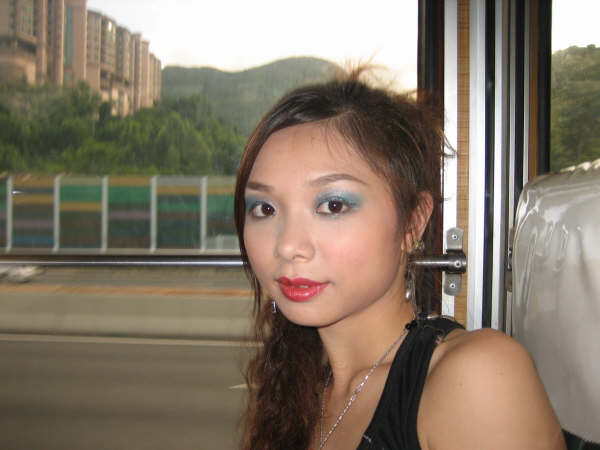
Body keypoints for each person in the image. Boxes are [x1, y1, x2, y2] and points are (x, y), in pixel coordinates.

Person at [233, 69, 565, 450]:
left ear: (413, 223)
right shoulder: (299, 388)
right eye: (265, 208)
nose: (288, 246)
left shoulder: (476, 377)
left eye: (333, 205)